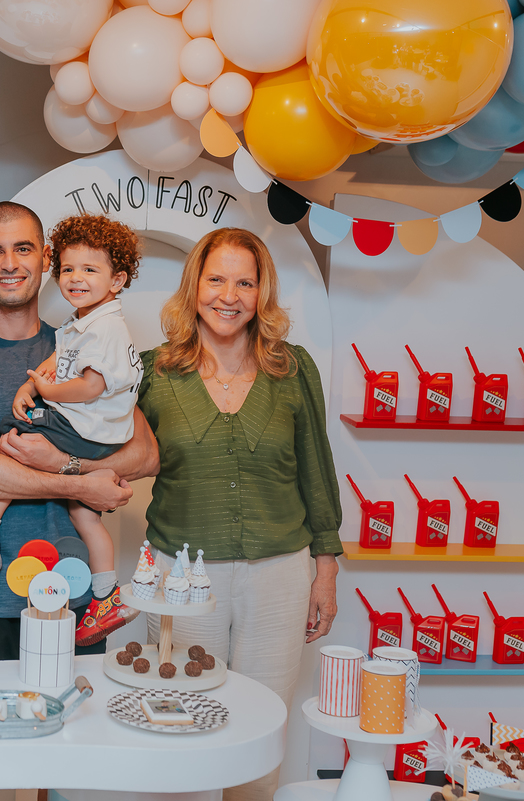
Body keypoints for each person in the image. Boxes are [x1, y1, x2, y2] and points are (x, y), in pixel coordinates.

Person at [0, 201, 159, 801]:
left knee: (62, 758)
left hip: (74, 593)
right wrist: (79, 482)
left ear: (47, 260)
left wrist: (64, 462)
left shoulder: (88, 340)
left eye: (24, 248)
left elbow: (144, 454)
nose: (10, 263)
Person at [137, 228, 342, 801]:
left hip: (280, 575)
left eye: (245, 282)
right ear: (194, 285)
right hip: (181, 578)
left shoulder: (293, 369)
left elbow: (316, 472)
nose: (229, 295)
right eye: (217, 279)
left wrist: (324, 572)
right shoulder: (152, 371)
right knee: (184, 727)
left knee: (260, 734)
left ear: (262, 293)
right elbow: (113, 447)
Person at [0, 214, 145, 646]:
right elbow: (58, 359)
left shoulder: (105, 328)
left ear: (117, 279)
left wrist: (48, 392)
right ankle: (106, 596)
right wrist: (33, 384)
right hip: (98, 438)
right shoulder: (81, 323)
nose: (76, 278)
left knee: (1, 452)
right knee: (85, 514)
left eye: (90, 270)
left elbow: (89, 385)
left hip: (83, 429)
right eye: (69, 269)